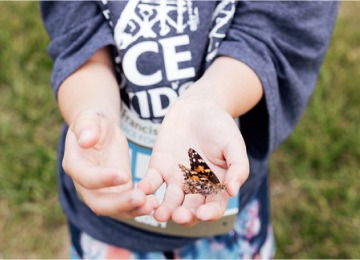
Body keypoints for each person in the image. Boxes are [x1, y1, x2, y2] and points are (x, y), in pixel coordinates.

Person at [41, 1, 338, 259]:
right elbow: (78, 36)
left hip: (223, 203)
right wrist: (92, 112)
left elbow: (275, 31)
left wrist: (210, 99)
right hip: (108, 216)